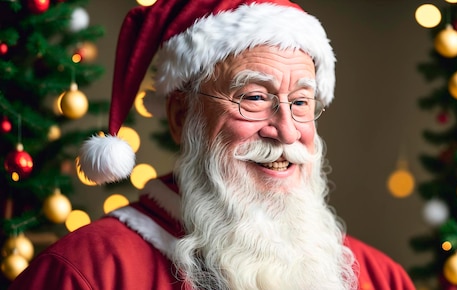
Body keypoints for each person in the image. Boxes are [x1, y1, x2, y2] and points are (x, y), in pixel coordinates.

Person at [9, 0, 416, 289]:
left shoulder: (378, 277)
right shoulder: (86, 273)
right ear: (181, 116)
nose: (287, 132)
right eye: (255, 98)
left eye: (301, 103)